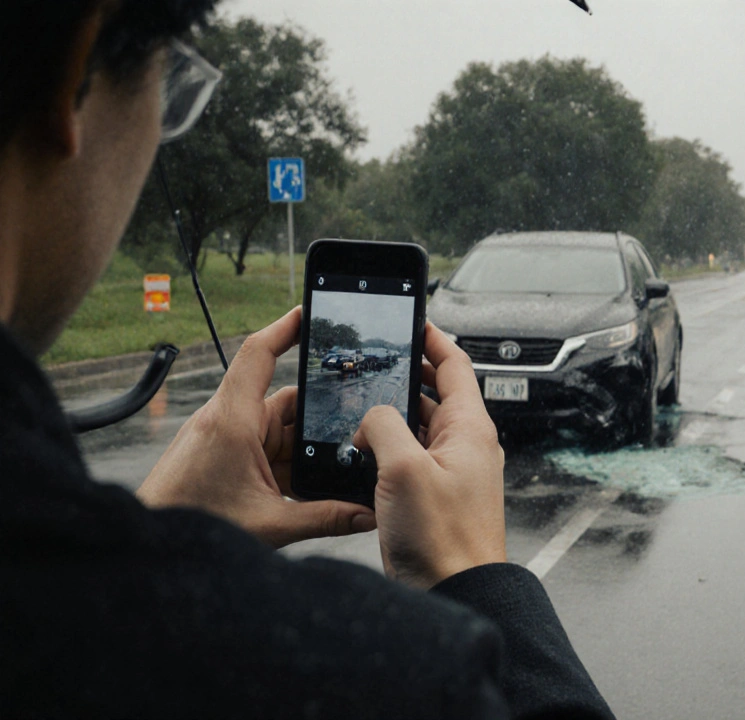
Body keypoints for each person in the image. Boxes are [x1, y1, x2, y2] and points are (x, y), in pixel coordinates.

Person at [0, 1, 614, 717]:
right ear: (77, 64)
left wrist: (144, 531)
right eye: (171, 91)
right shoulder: (375, 675)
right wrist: (473, 574)